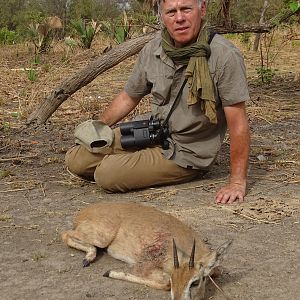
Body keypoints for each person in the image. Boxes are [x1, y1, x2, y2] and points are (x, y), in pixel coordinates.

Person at [65, 0, 250, 204]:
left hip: (187, 152)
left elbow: (238, 123)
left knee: (107, 175)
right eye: (171, 12)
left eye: (186, 9)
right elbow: (129, 97)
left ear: (202, 9)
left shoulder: (224, 55)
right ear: (162, 16)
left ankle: (143, 165)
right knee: (77, 159)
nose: (179, 18)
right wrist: (97, 129)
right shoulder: (153, 48)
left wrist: (236, 181)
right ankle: (140, 161)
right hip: (154, 132)